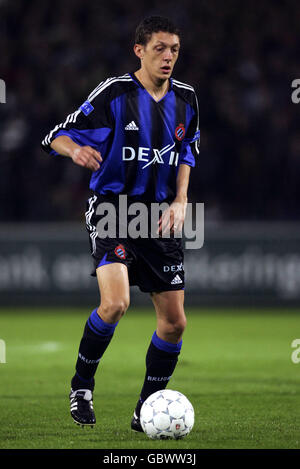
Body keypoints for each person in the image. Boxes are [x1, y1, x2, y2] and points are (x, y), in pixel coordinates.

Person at [41, 15, 200, 432]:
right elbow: (57, 134)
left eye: (175, 50)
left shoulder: (187, 99)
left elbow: (187, 153)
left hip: (159, 218)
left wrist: (182, 200)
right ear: (140, 50)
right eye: (161, 48)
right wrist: (75, 151)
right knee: (115, 304)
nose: (169, 57)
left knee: (175, 321)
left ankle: (147, 406)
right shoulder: (115, 93)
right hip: (114, 210)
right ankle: (81, 387)